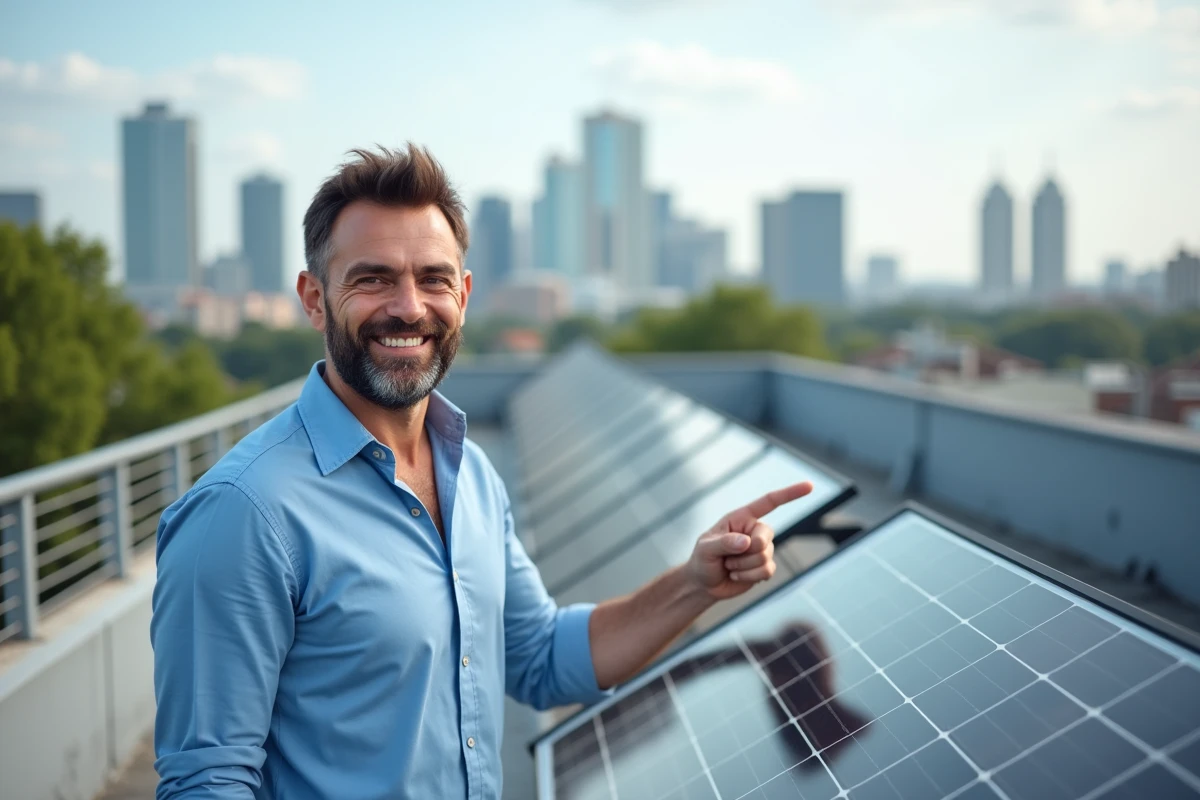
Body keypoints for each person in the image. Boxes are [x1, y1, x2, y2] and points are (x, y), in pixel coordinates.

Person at [150, 144, 813, 800]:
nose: (409, 307)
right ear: (314, 299)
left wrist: (696, 583)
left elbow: (542, 659)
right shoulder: (244, 514)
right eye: (373, 278)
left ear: (463, 296)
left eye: (433, 278)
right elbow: (206, 782)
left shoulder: (469, 473)